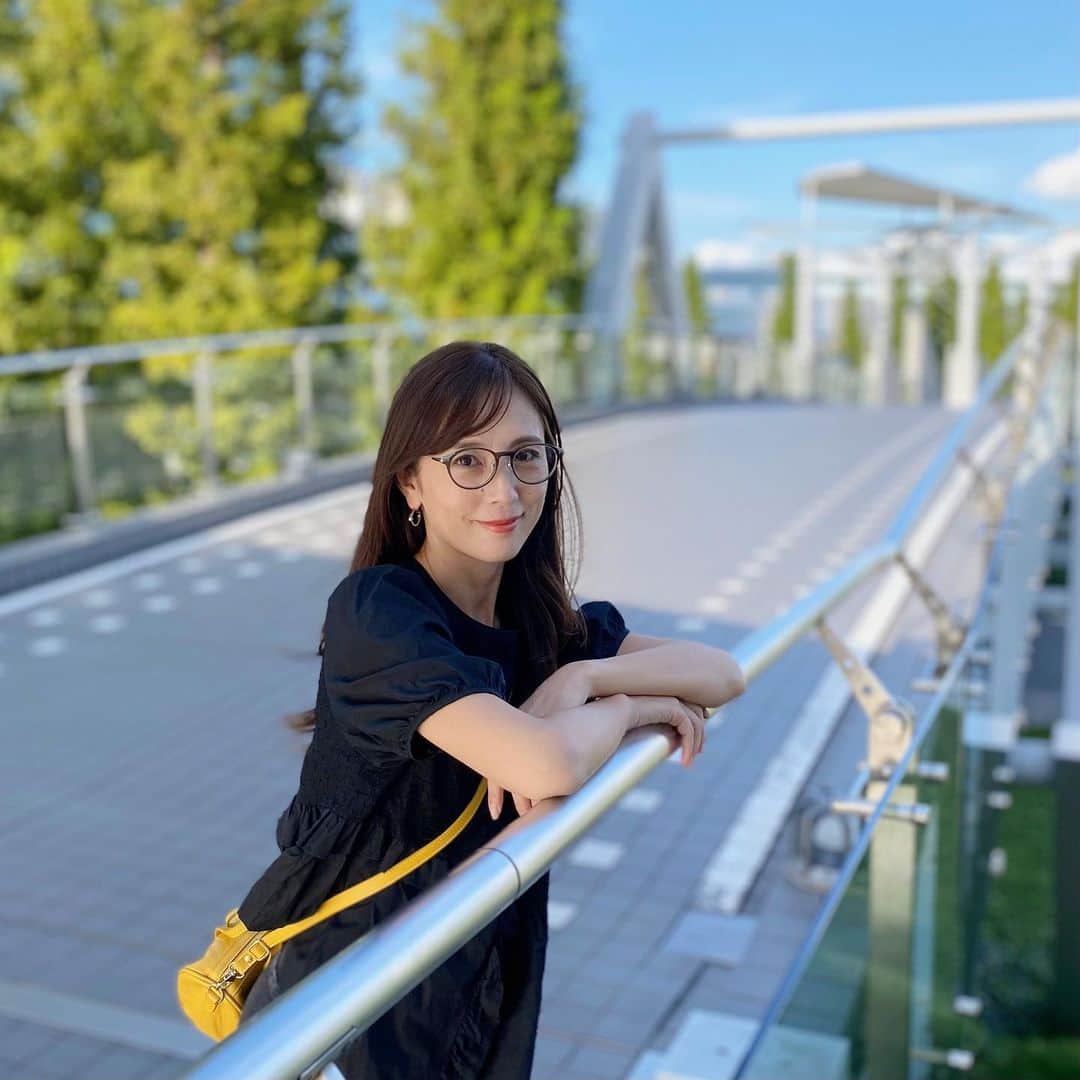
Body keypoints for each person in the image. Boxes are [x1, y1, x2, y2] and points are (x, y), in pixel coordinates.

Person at [236, 340, 746, 1078]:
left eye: (525, 457)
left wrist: (588, 679)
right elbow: (547, 761)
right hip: (353, 1006)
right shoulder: (379, 615)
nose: (504, 490)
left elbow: (721, 673)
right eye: (467, 461)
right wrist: (628, 704)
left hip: (481, 982)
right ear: (409, 481)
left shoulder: (543, 625)